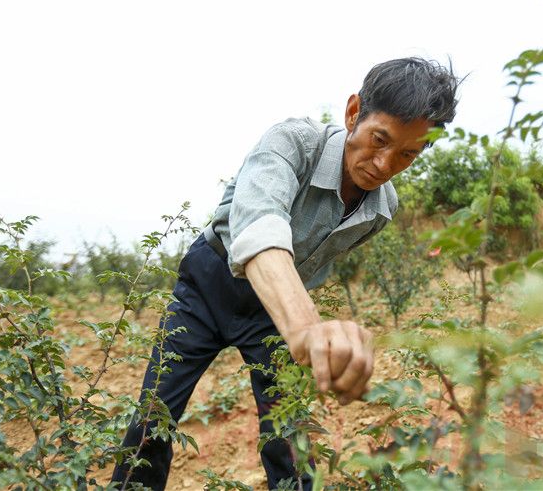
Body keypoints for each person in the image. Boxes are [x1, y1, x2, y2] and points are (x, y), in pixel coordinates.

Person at [111, 57, 459, 490]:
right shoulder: (293, 142)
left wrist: (296, 323)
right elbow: (259, 225)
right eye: (379, 139)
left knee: (290, 434)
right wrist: (306, 327)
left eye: (407, 154)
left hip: (274, 312)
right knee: (154, 415)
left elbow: (315, 262)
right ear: (354, 113)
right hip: (210, 283)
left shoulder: (380, 210)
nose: (384, 164)